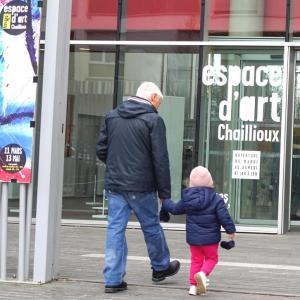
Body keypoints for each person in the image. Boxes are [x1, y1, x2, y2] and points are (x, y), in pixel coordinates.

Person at [96, 81, 180, 293]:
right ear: (152, 97)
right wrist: (165, 194)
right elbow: (160, 159)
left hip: (116, 185)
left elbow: (101, 150)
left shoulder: (112, 116)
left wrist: (117, 166)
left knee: (115, 229)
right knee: (151, 226)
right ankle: (160, 267)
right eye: (158, 102)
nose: (157, 107)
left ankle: (113, 280)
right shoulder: (153, 120)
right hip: (142, 186)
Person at [161, 166, 236, 296]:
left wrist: (165, 202)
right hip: (211, 240)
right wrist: (231, 230)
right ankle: (203, 274)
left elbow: (174, 209)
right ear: (210, 182)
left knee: (196, 260)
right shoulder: (216, 199)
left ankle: (193, 287)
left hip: (194, 239)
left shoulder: (187, 199)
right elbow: (224, 217)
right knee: (212, 258)